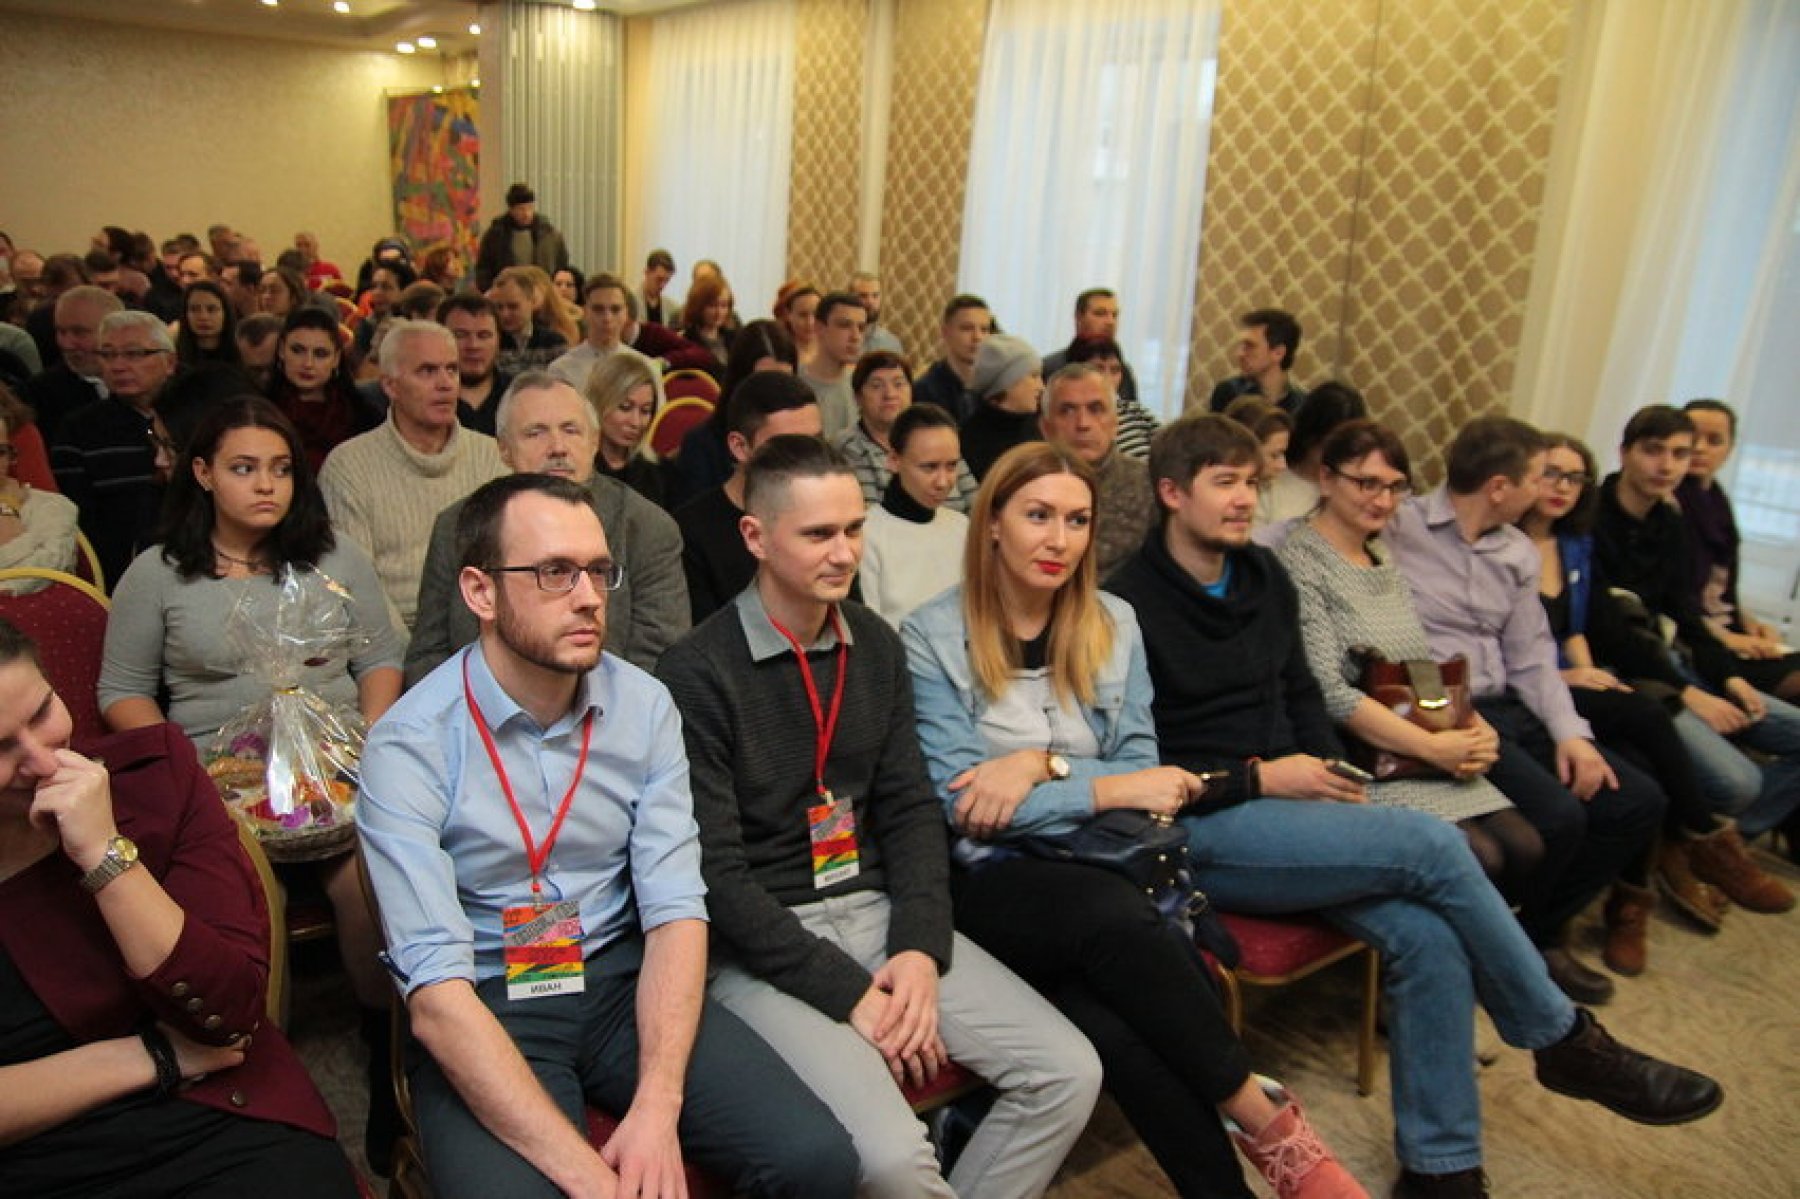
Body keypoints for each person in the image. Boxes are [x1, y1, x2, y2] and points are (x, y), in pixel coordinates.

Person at [1105, 413, 1723, 1198]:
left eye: (1252, 483)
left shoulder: (1262, 576)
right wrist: (1263, 778)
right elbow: (1134, 766)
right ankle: (1562, 1036)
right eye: (1224, 483)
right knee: (1436, 843)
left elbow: (1302, 695)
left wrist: (1331, 772)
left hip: (1297, 803)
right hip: (1203, 823)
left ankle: (1441, 1171)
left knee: (1430, 935)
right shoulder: (1124, 603)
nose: (1245, 500)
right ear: (1171, 492)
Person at [358, 474, 858, 1199]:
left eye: (598, 570)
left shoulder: (644, 705)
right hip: (487, 999)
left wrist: (659, 1103)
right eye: (555, 572)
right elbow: (436, 999)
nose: (590, 596)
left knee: (817, 1160)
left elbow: (676, 908)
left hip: (624, 981)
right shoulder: (409, 744)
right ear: (480, 592)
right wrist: (591, 1178)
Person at [904, 442, 1364, 1199]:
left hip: (1104, 864)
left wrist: (1037, 766)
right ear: (992, 523)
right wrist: (1103, 785)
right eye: (1038, 516)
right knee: (1111, 917)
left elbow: (1145, 773)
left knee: (1113, 1023)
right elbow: (967, 807)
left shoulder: (1112, 620)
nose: (1059, 539)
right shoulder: (930, 635)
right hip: (988, 881)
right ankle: (1264, 1117)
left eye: (1077, 520)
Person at [657, 436, 1102, 1199]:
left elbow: (910, 812)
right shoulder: (696, 671)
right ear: (756, 536)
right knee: (892, 1158)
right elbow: (716, 879)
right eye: (819, 533)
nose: (844, 552)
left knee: (1067, 1072)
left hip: (874, 910)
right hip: (759, 947)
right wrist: (851, 992)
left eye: (854, 529)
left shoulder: (876, 645)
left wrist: (920, 948)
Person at [95, 396, 406, 1164]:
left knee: (368, 877)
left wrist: (366, 741)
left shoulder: (334, 557)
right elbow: (121, 692)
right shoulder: (157, 573)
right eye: (243, 468)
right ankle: (256, 1056)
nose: (266, 485)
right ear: (202, 473)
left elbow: (380, 659)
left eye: (280, 469)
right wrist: (189, 771)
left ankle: (387, 1051)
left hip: (334, 772)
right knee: (237, 894)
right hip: (218, 779)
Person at [0, 618, 360, 1196]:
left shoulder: (153, 777)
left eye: (43, 712)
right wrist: (152, 1055)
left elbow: (229, 1013)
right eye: (0, 749)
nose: (42, 762)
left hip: (213, 1110)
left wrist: (103, 854)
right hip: (34, 1153)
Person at [1381, 417, 1667, 1006]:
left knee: (1637, 801)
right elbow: (1305, 538)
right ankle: (1520, 948)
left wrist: (1572, 735)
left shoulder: (1514, 550)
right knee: (1560, 818)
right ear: (1498, 487)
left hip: (1510, 702)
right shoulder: (1400, 524)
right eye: (1538, 477)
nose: (1545, 491)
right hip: (1444, 707)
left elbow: (1533, 655)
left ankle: (1533, 934)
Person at [1516, 433, 1789, 968]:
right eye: (1551, 473)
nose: (1562, 487)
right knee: (1646, 711)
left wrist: (1588, 670)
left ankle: (1630, 903)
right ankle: (1704, 838)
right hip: (1530, 685)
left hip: (1574, 676)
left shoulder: (1574, 544)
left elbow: (1577, 627)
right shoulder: (1503, 544)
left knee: (1645, 777)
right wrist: (1572, 676)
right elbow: (1507, 650)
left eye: (1574, 478)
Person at [1273, 420, 1536, 897]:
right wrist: (1433, 748)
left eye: (1395, 487)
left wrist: (1473, 727)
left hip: (1416, 736)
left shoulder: (1380, 555)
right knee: (1485, 855)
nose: (1383, 500)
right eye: (1367, 483)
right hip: (1365, 754)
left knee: (1526, 846)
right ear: (1327, 479)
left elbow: (1417, 665)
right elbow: (1330, 692)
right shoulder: (1300, 559)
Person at [1587, 406, 1800, 874]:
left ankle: (1706, 846)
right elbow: (1611, 635)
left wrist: (1729, 679)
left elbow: (1687, 614)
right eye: (1653, 451)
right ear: (1624, 453)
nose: (1667, 465)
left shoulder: (1669, 522)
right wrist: (1688, 694)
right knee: (1739, 783)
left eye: (1679, 454)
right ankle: (1702, 843)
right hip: (1623, 672)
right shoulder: (1591, 519)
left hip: (1671, 661)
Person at [406, 372, 688, 686]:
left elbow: (660, 662)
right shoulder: (457, 526)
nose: (557, 448)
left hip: (607, 711)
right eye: (536, 433)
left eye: (571, 430)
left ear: (594, 441)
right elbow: (428, 654)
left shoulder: (646, 529)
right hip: (474, 709)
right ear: (504, 449)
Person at [319, 320, 505, 631]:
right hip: (389, 637)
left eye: (452, 370)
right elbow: (354, 587)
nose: (445, 384)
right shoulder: (348, 466)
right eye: (427, 371)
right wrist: (416, 651)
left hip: (481, 630)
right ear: (390, 386)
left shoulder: (493, 457)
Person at [674, 372, 822, 624]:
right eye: (787, 446)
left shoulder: (828, 518)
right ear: (740, 447)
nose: (807, 458)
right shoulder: (691, 532)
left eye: (816, 442)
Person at [1677, 398, 1800, 700]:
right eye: (1692, 438)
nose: (1700, 448)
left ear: (1730, 449)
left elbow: (1718, 586)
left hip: (1729, 630)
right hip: (1697, 641)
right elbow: (1673, 601)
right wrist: (1728, 638)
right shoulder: (1667, 503)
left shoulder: (1717, 501)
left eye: (1714, 440)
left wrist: (1751, 623)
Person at [51, 310, 180, 587]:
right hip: (118, 577)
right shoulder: (79, 428)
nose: (118, 365)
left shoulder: (197, 419)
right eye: (107, 355)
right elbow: (76, 520)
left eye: (133, 354)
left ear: (170, 362)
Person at [1038, 363, 1154, 579]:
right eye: (1067, 411)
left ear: (1115, 424)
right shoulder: (1022, 486)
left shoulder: (1148, 484)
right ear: (1046, 428)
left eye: (1096, 409)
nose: (1083, 424)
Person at [857, 403, 969, 627]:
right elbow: (870, 630)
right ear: (894, 461)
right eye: (929, 467)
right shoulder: (865, 534)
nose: (943, 482)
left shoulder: (963, 527)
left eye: (951, 466)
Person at [668, 319, 798, 510]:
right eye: (763, 381)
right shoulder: (702, 444)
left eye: (785, 381)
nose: (776, 392)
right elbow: (694, 518)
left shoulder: (803, 437)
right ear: (740, 380)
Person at [832, 350, 978, 514]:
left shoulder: (936, 435)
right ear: (858, 397)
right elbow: (869, 515)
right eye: (877, 386)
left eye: (899, 384)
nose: (890, 394)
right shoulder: (849, 446)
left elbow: (977, 505)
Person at [266, 307, 382, 473]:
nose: (308, 363)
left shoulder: (363, 416)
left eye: (320, 354)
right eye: (298, 350)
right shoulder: (259, 412)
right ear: (281, 351)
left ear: (336, 358)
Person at [23, 284, 120, 442]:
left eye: (79, 332)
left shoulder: (147, 385)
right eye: (61, 332)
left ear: (115, 331)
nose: (66, 344)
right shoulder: (36, 396)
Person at [0, 396, 79, 591]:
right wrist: (35, 540)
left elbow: (41, 574)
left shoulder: (53, 507)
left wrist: (9, 510)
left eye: (0, 451)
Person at [1263, 380, 1365, 523]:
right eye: (1331, 444)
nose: (1338, 455)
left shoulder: (1349, 492)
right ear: (1311, 435)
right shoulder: (1272, 480)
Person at [547, 274, 662, 399]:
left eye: (615, 309)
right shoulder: (561, 371)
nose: (607, 318)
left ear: (626, 314)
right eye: (598, 309)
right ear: (585, 312)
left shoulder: (646, 368)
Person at [959, 334, 1045, 480]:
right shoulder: (974, 442)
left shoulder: (1035, 426)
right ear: (1006, 383)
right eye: (1034, 376)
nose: (1041, 386)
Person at [584, 352, 664, 506]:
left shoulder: (658, 474)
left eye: (645, 411)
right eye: (625, 407)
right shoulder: (577, 470)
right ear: (598, 404)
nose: (636, 422)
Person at [1040, 288, 1143, 406]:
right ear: (1079, 317)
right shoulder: (1049, 368)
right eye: (1100, 313)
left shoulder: (1124, 371)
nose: (1110, 322)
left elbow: (1134, 412)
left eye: (1115, 315)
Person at [1064, 336, 1159, 459]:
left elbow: (1171, 448)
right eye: (1098, 369)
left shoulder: (1136, 411)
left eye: (1115, 370)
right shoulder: (1073, 419)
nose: (1108, 378)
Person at [474, 182, 571, 291]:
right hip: (507, 293)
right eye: (521, 209)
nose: (526, 214)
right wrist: (490, 291)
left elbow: (562, 266)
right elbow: (484, 269)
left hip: (543, 292)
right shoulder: (496, 236)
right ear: (511, 210)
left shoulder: (549, 235)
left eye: (530, 208)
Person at [1207, 309, 1307, 414]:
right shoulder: (1228, 393)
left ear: (1278, 353)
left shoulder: (1302, 406)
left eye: (1250, 346)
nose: (1239, 354)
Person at [438, 293, 511, 435]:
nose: (473, 345)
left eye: (484, 335)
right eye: (460, 335)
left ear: (498, 341)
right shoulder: (422, 400)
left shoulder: (519, 395)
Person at [911, 294, 992, 423]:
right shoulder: (925, 391)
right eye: (967, 328)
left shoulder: (993, 387)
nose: (977, 337)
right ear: (945, 332)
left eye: (984, 330)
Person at [798, 293, 868, 439]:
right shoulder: (794, 382)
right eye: (844, 325)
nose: (855, 336)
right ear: (819, 328)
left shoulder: (863, 385)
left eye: (861, 328)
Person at [176, 279, 243, 369]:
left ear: (225, 313)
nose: (203, 317)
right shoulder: (175, 359)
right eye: (194, 309)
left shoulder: (243, 355)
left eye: (211, 309)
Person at [679, 274, 735, 374]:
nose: (719, 312)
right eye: (712, 305)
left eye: (724, 305)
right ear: (698, 306)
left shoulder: (734, 339)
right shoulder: (685, 342)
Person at [848, 271, 902, 355]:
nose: (870, 302)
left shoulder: (891, 343)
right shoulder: (839, 339)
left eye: (875, 295)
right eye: (863, 296)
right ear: (849, 298)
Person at [773, 280, 821, 364]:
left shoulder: (833, 349)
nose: (810, 322)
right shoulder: (777, 353)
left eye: (816, 314)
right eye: (803, 315)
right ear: (788, 315)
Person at [640, 248, 676, 327]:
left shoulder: (672, 308)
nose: (662, 285)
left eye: (667, 280)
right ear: (647, 273)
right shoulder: (629, 302)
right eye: (659, 279)